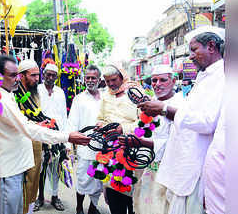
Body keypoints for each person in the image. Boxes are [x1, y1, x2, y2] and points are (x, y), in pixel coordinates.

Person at [0, 55, 91, 214]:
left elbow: (22, 124)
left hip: (15, 167)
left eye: (18, 75)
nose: (18, 79)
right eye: (13, 75)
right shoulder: (2, 100)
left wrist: (37, 125)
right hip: (8, 170)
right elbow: (27, 128)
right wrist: (67, 137)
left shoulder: (7, 95)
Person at [137, 26, 225, 214]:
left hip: (196, 169)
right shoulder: (206, 76)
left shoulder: (222, 76)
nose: (191, 56)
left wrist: (164, 109)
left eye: (194, 50)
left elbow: (207, 122)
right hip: (182, 167)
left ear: (211, 46)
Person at [121, 65, 184, 214]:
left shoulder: (180, 105)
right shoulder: (151, 102)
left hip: (168, 170)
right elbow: (141, 127)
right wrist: (124, 132)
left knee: (161, 206)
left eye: (163, 80)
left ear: (174, 81)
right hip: (147, 166)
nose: (157, 84)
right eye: (154, 80)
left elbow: (175, 142)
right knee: (143, 204)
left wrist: (141, 143)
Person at [96, 64, 142, 214]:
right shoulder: (106, 96)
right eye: (107, 81)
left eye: (114, 80)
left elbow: (145, 122)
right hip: (111, 152)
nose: (110, 84)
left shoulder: (136, 92)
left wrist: (123, 128)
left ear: (122, 77)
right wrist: (100, 125)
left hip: (132, 150)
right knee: (114, 193)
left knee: (132, 195)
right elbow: (101, 118)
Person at [67, 65, 104, 214]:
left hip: (103, 149)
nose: (89, 80)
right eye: (87, 77)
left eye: (93, 78)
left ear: (99, 80)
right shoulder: (79, 99)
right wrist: (68, 144)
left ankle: (93, 208)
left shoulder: (105, 98)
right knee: (83, 178)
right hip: (85, 147)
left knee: (99, 180)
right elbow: (72, 122)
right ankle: (79, 207)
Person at [34, 63, 69, 211]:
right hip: (41, 135)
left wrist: (65, 140)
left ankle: (55, 197)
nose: (50, 77)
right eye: (47, 74)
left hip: (57, 136)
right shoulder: (37, 89)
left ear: (56, 76)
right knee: (40, 168)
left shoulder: (60, 92)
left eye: (53, 75)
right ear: (43, 74)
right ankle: (40, 197)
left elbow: (63, 116)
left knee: (56, 168)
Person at [16, 59, 44, 214]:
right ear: (21, 76)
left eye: (37, 75)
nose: (36, 79)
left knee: (34, 181)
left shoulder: (36, 92)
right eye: (33, 75)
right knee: (21, 183)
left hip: (36, 144)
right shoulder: (14, 94)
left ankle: (29, 210)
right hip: (20, 146)